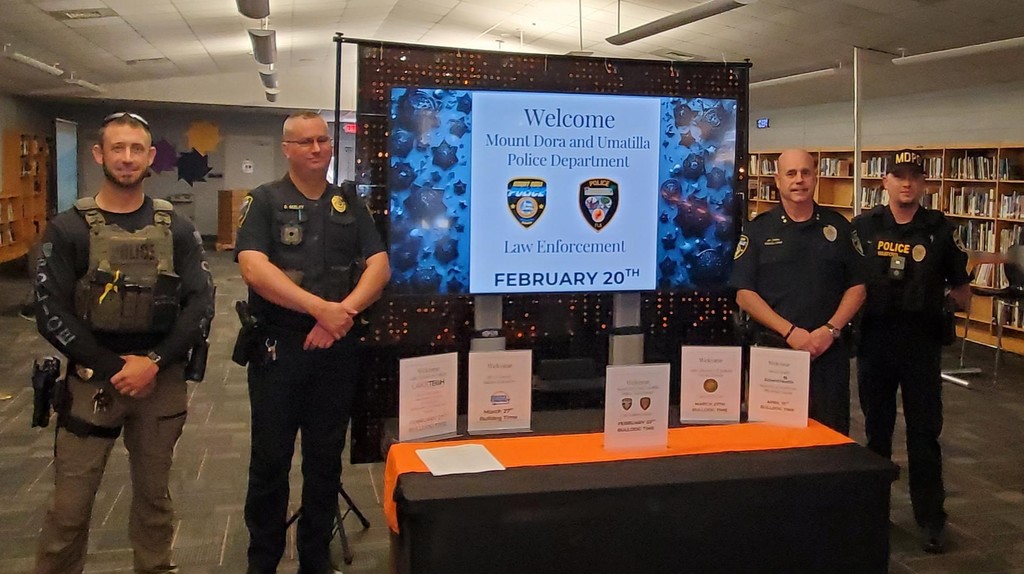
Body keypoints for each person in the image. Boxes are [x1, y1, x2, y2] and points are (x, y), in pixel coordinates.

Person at [33, 111, 215, 573]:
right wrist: (116, 366)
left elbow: (201, 303)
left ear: (150, 157)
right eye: (118, 148)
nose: (128, 158)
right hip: (92, 380)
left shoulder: (177, 227)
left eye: (137, 149)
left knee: (155, 500)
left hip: (160, 379)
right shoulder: (69, 228)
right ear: (100, 154)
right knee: (69, 508)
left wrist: (154, 361)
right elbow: (49, 311)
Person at [236, 111, 389, 574]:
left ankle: (314, 559)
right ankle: (262, 560)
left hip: (336, 348)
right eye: (305, 142)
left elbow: (379, 267)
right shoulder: (264, 201)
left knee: (325, 461)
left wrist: (341, 314)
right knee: (270, 463)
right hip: (279, 350)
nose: (317, 148)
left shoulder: (348, 203)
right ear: (287, 149)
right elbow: (253, 268)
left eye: (323, 139)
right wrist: (318, 309)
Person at [853, 149, 970, 554]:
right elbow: (848, 283)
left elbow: (962, 290)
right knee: (876, 432)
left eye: (915, 177)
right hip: (875, 340)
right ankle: (872, 512)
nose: (907, 184)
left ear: (924, 183)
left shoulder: (939, 230)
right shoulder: (864, 227)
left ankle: (931, 519)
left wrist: (940, 306)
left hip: (920, 343)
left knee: (924, 433)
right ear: (883, 181)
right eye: (899, 176)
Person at [730, 149, 865, 435]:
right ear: (777, 181)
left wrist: (828, 330)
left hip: (827, 352)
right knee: (773, 444)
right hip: (775, 351)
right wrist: (791, 333)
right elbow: (744, 293)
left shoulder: (839, 228)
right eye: (791, 173)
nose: (799, 180)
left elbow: (857, 287)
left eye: (805, 172)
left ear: (815, 177)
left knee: (832, 441)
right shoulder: (757, 231)